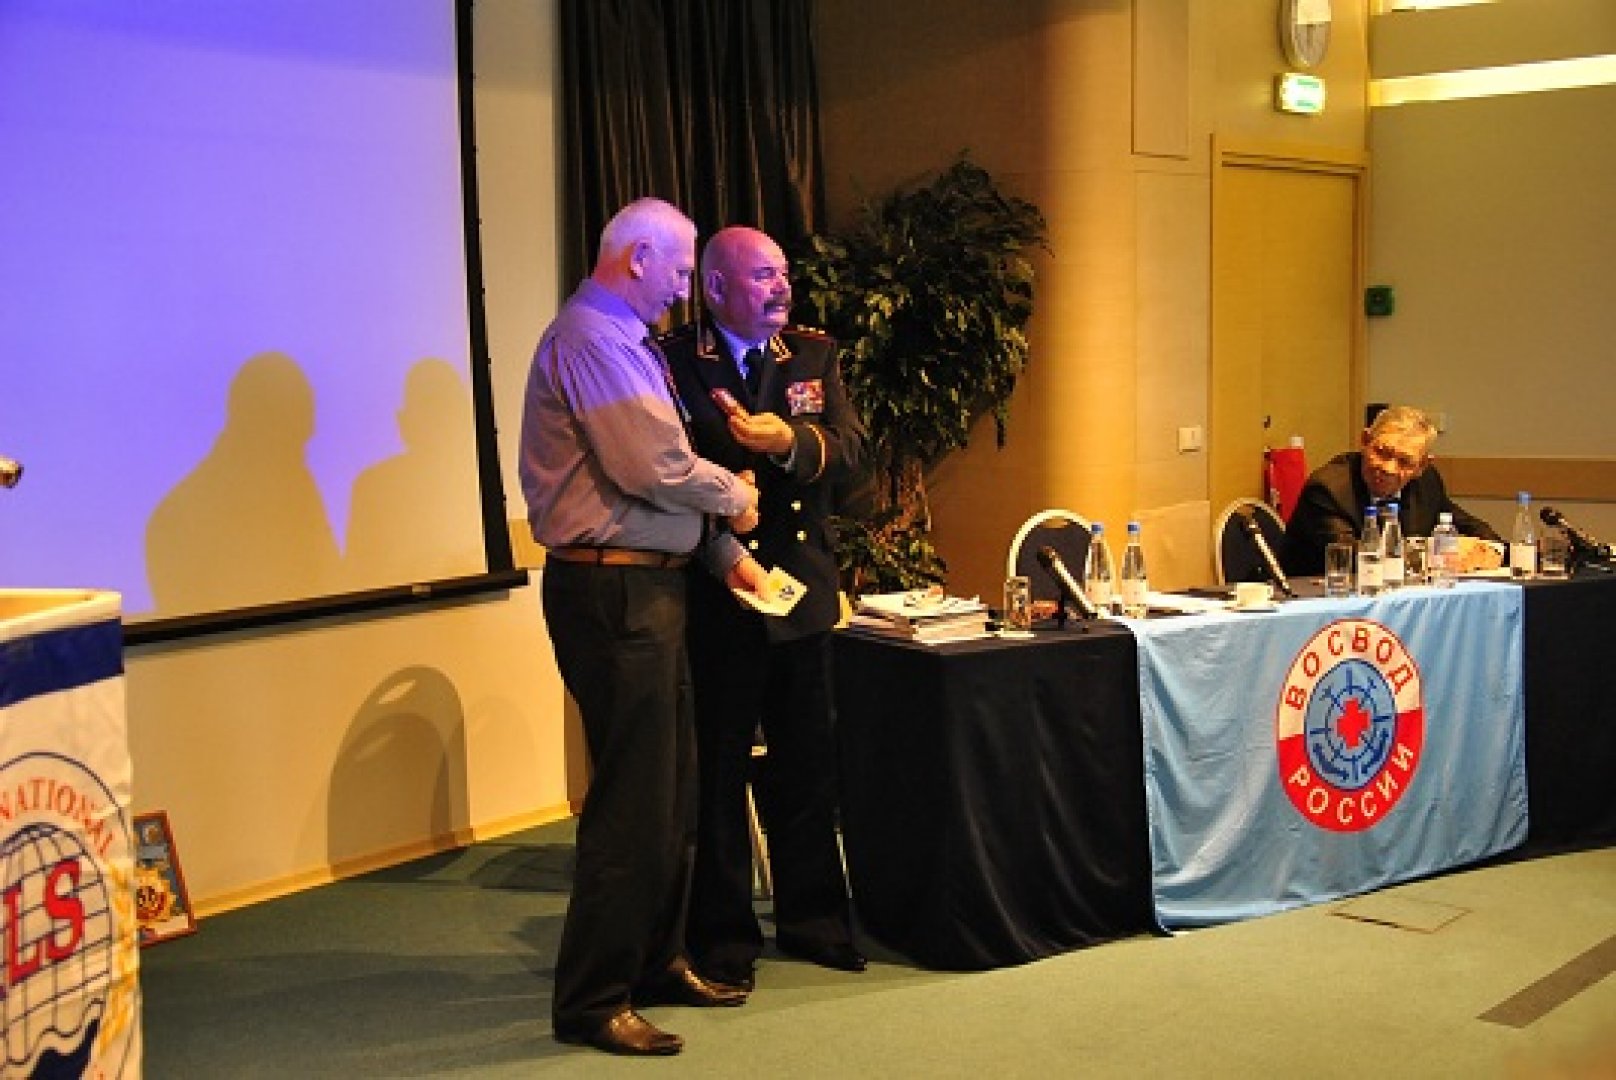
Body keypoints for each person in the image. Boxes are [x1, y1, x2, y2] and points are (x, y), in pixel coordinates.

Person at [519, 198, 768, 1057]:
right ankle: (592, 999)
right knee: (632, 804)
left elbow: (651, 490)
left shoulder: (624, 339)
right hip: (612, 594)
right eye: (680, 267)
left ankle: (657, 960)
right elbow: (652, 466)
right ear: (636, 258)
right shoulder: (592, 338)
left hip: (650, 587)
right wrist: (735, 495)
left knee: (674, 794)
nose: (684, 286)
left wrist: (722, 552)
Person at [659, 225, 867, 992]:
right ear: (715, 288)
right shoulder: (675, 359)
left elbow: (854, 455)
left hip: (800, 591)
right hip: (717, 593)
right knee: (718, 775)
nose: (781, 288)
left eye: (783, 274)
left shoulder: (812, 355)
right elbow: (661, 471)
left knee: (807, 767)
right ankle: (721, 936)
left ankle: (814, 921)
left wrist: (790, 443)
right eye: (762, 277)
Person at [1280, 404, 1502, 577]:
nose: (1388, 468)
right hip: (1320, 604)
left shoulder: (1426, 483)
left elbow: (1464, 523)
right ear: (1365, 441)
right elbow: (1357, 558)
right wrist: (1436, 553)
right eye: (1382, 452)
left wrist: (1491, 549)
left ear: (1421, 466)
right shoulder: (1328, 489)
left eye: (1405, 462)